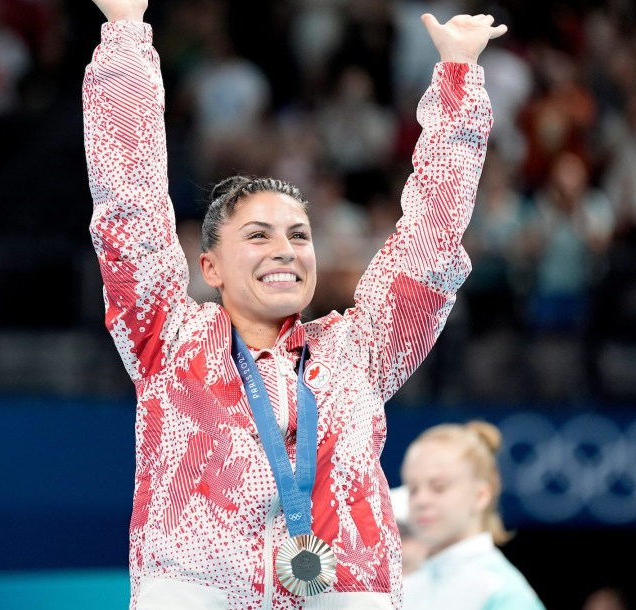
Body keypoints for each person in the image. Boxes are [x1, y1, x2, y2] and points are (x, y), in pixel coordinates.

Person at [83, 1, 505, 607]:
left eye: (299, 235)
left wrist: (458, 83)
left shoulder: (360, 352)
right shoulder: (165, 338)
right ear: (210, 268)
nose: (284, 250)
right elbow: (129, 202)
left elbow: (429, 247)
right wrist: (124, 33)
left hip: (345, 587)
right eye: (257, 235)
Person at [399, 421, 546, 610]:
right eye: (413, 489)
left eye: (439, 487)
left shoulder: (501, 592)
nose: (421, 501)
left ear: (480, 496)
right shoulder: (408, 586)